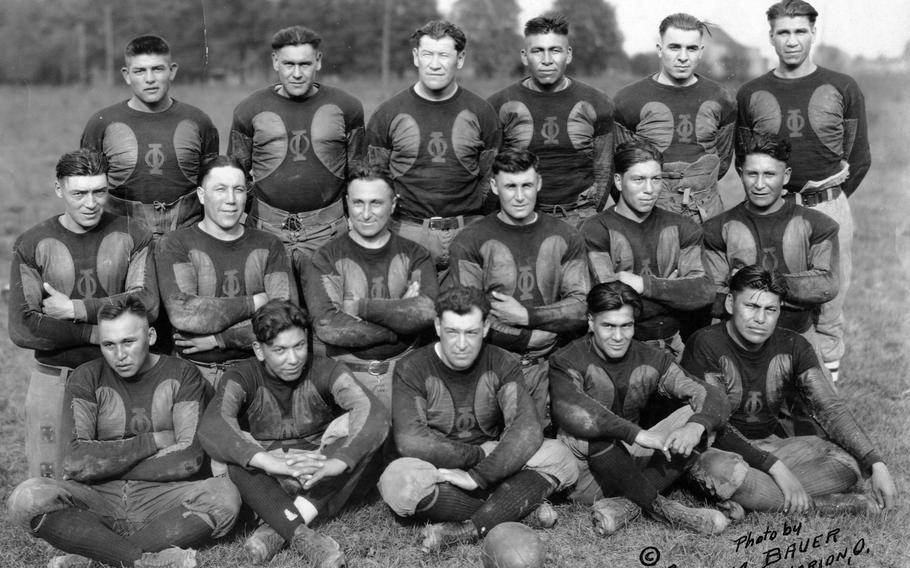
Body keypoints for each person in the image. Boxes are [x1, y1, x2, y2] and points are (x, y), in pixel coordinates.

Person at [7, 297, 241, 568]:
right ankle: (141, 560)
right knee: (26, 497)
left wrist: (105, 463)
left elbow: (188, 459)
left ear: (150, 336)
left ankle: (98, 553)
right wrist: (154, 440)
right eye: (109, 344)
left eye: (129, 341)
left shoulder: (183, 373)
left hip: (161, 500)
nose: (120, 355)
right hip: (98, 499)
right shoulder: (86, 377)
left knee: (224, 496)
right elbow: (75, 460)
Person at [681, 266, 896, 515]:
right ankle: (827, 505)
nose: (760, 319)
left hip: (772, 447)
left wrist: (877, 464)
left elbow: (830, 409)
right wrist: (777, 469)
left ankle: (758, 499)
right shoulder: (705, 343)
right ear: (730, 303)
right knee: (719, 471)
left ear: (779, 309)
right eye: (751, 306)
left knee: (847, 460)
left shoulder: (794, 345)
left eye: (770, 309)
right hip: (720, 450)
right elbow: (716, 425)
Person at [378, 286, 577, 551]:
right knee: (398, 481)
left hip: (492, 461)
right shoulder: (412, 366)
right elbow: (412, 441)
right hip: (438, 466)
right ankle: (514, 508)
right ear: (438, 326)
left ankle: (468, 529)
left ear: (485, 328)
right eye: (452, 332)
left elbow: (526, 427)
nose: (461, 344)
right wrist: (475, 458)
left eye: (471, 332)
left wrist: (479, 475)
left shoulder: (502, 361)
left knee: (559, 454)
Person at [736, 0, 871, 381]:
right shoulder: (751, 92)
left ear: (813, 33)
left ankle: (825, 402)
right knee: (771, 297)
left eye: (799, 31)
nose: (791, 41)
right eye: (783, 32)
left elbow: (859, 159)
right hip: (772, 210)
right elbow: (744, 159)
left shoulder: (842, 86)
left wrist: (827, 202)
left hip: (828, 207)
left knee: (829, 306)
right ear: (771, 37)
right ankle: (771, 396)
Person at [199, 299, 388, 567]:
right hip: (267, 479)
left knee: (361, 431)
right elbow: (213, 425)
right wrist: (273, 463)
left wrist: (338, 461)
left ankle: (275, 530)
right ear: (259, 350)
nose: (293, 359)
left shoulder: (325, 368)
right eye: (280, 350)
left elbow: (372, 412)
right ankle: (302, 535)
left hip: (317, 473)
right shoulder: (241, 376)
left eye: (299, 346)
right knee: (228, 453)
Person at [8, 149, 158, 480]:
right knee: (49, 487)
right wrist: (99, 333)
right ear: (59, 188)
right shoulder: (33, 243)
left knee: (124, 483)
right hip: (55, 377)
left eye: (99, 192)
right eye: (79, 193)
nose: (90, 203)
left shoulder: (135, 234)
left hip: (120, 377)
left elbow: (145, 303)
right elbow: (24, 327)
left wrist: (74, 310)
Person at [548, 281, 730, 535]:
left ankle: (627, 505)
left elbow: (711, 395)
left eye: (626, 325)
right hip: (584, 474)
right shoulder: (566, 358)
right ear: (590, 321)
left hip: (631, 463)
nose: (618, 336)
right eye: (608, 326)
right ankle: (665, 510)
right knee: (588, 429)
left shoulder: (651, 357)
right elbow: (577, 413)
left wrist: (696, 425)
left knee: (702, 418)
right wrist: (640, 435)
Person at [447, 149, 589, 426]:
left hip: (548, 366)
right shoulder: (470, 240)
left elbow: (581, 308)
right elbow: (468, 314)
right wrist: (529, 337)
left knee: (541, 447)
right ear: (494, 187)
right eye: (510, 186)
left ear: (538, 183)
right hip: (489, 365)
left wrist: (527, 317)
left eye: (526, 185)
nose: (520, 196)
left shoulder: (566, 235)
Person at [229, 25, 365, 292]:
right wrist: (264, 214)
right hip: (267, 230)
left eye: (305, 64)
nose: (297, 73)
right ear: (275, 61)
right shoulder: (249, 109)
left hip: (327, 231)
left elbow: (359, 173)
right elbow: (235, 174)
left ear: (319, 61)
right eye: (289, 64)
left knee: (328, 313)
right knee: (277, 318)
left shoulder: (347, 107)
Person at [366, 20, 501, 275]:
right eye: (427, 54)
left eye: (444, 55)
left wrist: (473, 222)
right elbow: (375, 179)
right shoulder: (387, 114)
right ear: (416, 56)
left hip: (468, 232)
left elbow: (490, 178)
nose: (435, 64)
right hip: (407, 232)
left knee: (469, 310)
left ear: (459, 59)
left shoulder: (482, 113)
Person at [702, 135, 838, 380]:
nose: (760, 184)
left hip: (798, 336)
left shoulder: (817, 224)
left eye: (769, 175)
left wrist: (757, 284)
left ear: (785, 176)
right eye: (752, 174)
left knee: (819, 412)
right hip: (740, 343)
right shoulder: (718, 228)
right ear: (741, 173)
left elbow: (826, 285)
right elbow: (712, 297)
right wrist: (797, 289)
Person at [305, 163, 438, 409]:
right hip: (345, 379)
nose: (366, 214)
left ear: (394, 204)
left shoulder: (417, 255)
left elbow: (425, 313)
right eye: (358, 203)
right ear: (346, 202)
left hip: (405, 375)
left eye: (376, 203)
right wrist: (398, 316)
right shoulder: (325, 257)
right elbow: (328, 326)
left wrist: (357, 307)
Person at [156, 156, 296, 387]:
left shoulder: (269, 244)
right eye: (220, 189)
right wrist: (256, 302)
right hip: (193, 375)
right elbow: (185, 314)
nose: (231, 200)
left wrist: (219, 339)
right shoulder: (175, 244)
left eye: (238, 190)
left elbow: (284, 320)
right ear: (201, 195)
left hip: (257, 372)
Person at [581, 140, 714, 360]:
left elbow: (704, 292)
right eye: (639, 180)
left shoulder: (683, 226)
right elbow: (608, 305)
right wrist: (673, 290)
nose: (650, 190)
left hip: (673, 347)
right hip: (618, 350)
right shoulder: (596, 229)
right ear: (619, 181)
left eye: (656, 179)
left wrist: (643, 284)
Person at [80, 35, 219, 237]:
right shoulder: (101, 123)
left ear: (172, 71)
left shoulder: (198, 121)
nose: (150, 79)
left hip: (186, 239)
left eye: (157, 69)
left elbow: (211, 186)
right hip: (122, 239)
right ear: (127, 75)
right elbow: (86, 188)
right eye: (140, 71)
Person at [486, 13, 614, 227]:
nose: (547, 60)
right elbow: (489, 173)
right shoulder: (498, 105)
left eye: (555, 50)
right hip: (521, 219)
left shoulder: (598, 103)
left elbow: (604, 169)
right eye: (538, 51)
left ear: (568, 54)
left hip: (581, 217)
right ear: (525, 56)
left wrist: (589, 215)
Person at [613, 13, 736, 224]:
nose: (683, 57)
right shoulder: (627, 99)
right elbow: (617, 166)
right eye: (674, 47)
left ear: (701, 52)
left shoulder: (721, 97)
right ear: (660, 49)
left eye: (691, 48)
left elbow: (722, 160)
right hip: (650, 211)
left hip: (705, 209)